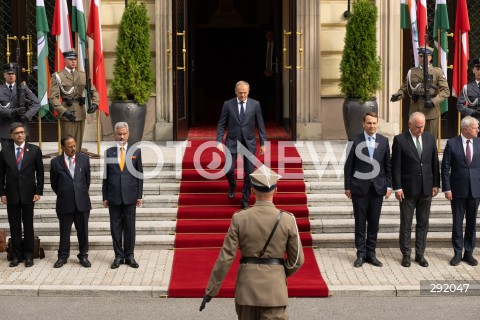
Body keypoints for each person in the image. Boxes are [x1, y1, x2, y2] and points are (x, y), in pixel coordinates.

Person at [200, 165, 304, 320]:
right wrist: (277, 273)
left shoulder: (240, 218)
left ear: (253, 191)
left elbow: (226, 257)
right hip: (275, 290)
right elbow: (297, 260)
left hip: (246, 290)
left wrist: (211, 290)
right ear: (276, 190)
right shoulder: (288, 220)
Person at [391, 112, 440, 268]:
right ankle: (406, 254)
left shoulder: (430, 139)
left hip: (426, 189)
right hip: (407, 189)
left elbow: (434, 164)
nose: (420, 130)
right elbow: (396, 167)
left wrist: (436, 184)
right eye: (417, 127)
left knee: (423, 223)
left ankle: (420, 254)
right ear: (409, 125)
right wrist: (397, 187)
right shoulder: (400, 140)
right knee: (406, 223)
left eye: (422, 126)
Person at [344, 111, 392, 268]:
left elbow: (387, 166)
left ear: (377, 124)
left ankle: (371, 254)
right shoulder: (355, 140)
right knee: (360, 223)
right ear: (363, 124)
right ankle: (360, 254)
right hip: (359, 189)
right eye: (369, 123)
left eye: (374, 123)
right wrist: (347, 186)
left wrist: (389, 185)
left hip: (378, 189)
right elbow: (348, 165)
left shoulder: (384, 141)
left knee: (374, 223)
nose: (372, 126)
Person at [216, 80, 267, 209]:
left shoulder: (255, 104)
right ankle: (232, 185)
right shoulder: (228, 104)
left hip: (249, 142)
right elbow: (221, 124)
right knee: (228, 169)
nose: (243, 95)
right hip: (232, 141)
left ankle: (245, 200)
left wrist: (263, 143)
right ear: (235, 92)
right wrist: (219, 142)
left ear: (248, 91)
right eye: (240, 93)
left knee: (249, 172)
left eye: (245, 93)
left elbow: (260, 124)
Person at [0, 122, 43, 267]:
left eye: (22, 132)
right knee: (14, 226)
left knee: (28, 225)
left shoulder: (35, 150)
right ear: (11, 135)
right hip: (11, 195)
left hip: (28, 195)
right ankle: (17, 255)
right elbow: (1, 175)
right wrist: (2, 193)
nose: (20, 135)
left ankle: (29, 255)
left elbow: (40, 174)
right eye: (17, 133)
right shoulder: (5, 151)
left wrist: (38, 192)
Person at [102, 122, 143, 269]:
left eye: (124, 133)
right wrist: (104, 196)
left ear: (128, 134)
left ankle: (130, 256)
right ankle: (118, 256)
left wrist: (139, 195)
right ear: (115, 134)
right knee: (115, 228)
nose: (121, 136)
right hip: (113, 197)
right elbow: (105, 176)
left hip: (130, 196)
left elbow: (139, 175)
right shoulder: (109, 152)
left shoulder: (136, 151)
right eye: (119, 134)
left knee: (130, 228)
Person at [441, 116, 480, 267]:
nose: (478, 129)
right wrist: (447, 188)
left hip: (475, 191)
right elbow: (445, 168)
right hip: (457, 191)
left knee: (471, 223)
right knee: (457, 223)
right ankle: (457, 253)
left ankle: (468, 253)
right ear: (465, 129)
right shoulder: (452, 143)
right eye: (475, 127)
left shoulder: (479, 142)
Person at [50, 135, 92, 268]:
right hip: (65, 203)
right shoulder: (55, 162)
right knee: (64, 232)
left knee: (83, 231)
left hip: (82, 202)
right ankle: (62, 256)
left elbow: (87, 180)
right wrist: (66, 194)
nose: (73, 148)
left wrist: (79, 193)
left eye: (74, 145)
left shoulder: (84, 159)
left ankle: (83, 256)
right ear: (63, 147)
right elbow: (54, 184)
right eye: (70, 146)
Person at [391, 45, 450, 138]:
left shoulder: (437, 72)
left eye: (425, 56)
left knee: (430, 140)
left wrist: (434, 102)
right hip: (416, 108)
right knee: (414, 139)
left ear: (430, 58)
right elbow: (404, 89)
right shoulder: (412, 72)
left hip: (431, 110)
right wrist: (397, 95)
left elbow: (446, 91)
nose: (422, 58)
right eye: (420, 56)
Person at [49, 49, 100, 151]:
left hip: (80, 111)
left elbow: (93, 91)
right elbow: (53, 97)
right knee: (68, 142)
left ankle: (77, 162)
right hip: (67, 112)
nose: (73, 62)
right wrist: (63, 111)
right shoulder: (58, 76)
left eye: (75, 59)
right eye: (70, 59)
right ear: (65, 60)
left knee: (78, 143)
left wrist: (95, 104)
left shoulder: (82, 75)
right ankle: (67, 162)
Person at [0, 62, 40, 149]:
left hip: (21, 125)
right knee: (7, 156)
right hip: (6, 127)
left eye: (13, 73)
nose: (11, 76)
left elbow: (36, 103)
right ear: (4, 75)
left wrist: (26, 116)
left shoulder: (23, 88)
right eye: (9, 73)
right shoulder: (0, 90)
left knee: (23, 156)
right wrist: (13, 111)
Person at [456, 58, 480, 122]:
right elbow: (460, 105)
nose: (479, 72)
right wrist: (472, 112)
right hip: (473, 120)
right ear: (473, 70)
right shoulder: (467, 87)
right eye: (477, 69)